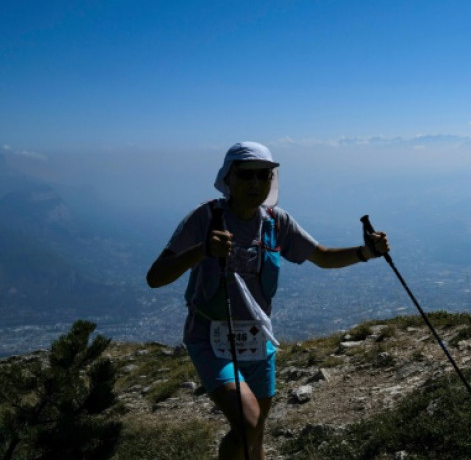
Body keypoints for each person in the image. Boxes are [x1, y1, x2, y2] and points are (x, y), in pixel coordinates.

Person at [146, 141, 389, 460]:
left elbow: (323, 257)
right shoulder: (205, 218)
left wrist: (366, 253)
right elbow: (156, 276)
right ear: (228, 179)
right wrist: (201, 250)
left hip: (259, 340)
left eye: (264, 175)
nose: (256, 183)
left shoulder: (277, 222)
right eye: (246, 176)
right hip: (210, 338)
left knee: (255, 434)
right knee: (248, 423)